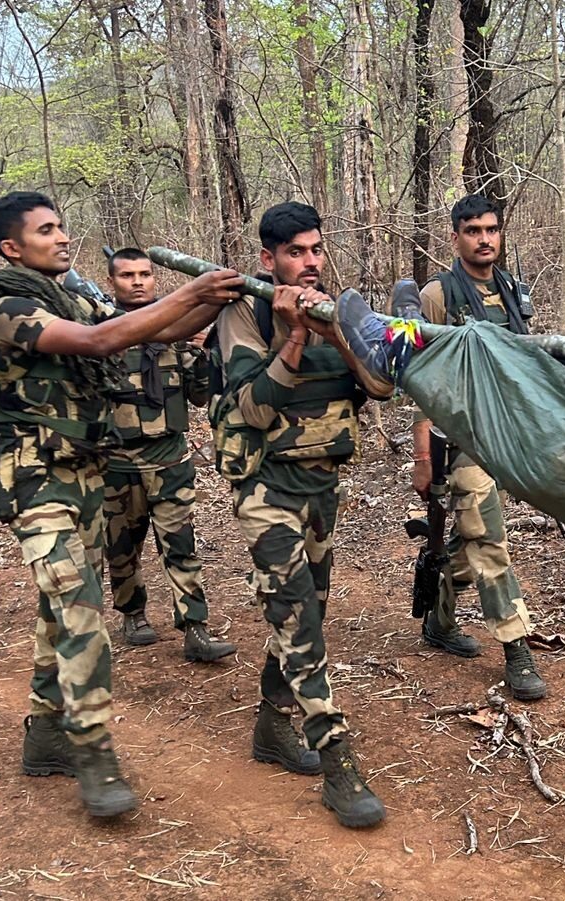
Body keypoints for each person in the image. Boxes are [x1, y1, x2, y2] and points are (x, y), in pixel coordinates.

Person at [0, 192, 244, 817]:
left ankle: (43, 736)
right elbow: (95, 341)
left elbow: (152, 331)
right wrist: (191, 294)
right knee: (81, 608)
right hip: (33, 480)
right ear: (12, 246)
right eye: (47, 230)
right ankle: (94, 750)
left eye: (62, 226)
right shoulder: (6, 305)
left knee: (57, 609)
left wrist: (214, 303)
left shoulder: (68, 294)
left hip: (82, 472)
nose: (63, 238)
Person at [210, 201, 392, 828]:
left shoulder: (335, 309)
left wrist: (336, 329)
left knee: (302, 606)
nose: (310, 262)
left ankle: (270, 723)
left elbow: (380, 387)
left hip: (323, 487)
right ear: (269, 258)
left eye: (316, 250)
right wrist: (292, 335)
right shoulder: (244, 313)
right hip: (268, 489)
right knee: (299, 616)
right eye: (296, 252)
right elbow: (254, 411)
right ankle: (337, 757)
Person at [405, 194, 546, 701]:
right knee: (487, 537)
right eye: (473, 230)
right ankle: (516, 650)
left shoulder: (512, 289)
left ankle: (440, 619)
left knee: (469, 539)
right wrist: (422, 455)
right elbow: (419, 378)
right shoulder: (437, 295)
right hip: (456, 438)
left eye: (491, 229)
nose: (484, 238)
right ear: (455, 237)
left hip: (506, 437)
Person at [102, 248, 235, 662]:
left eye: (144, 274)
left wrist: (201, 352)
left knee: (180, 544)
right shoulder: (100, 332)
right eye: (127, 275)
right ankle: (133, 612)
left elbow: (198, 394)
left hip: (170, 459)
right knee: (122, 546)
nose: (137, 282)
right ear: (112, 282)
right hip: (116, 462)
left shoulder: (175, 334)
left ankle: (195, 627)